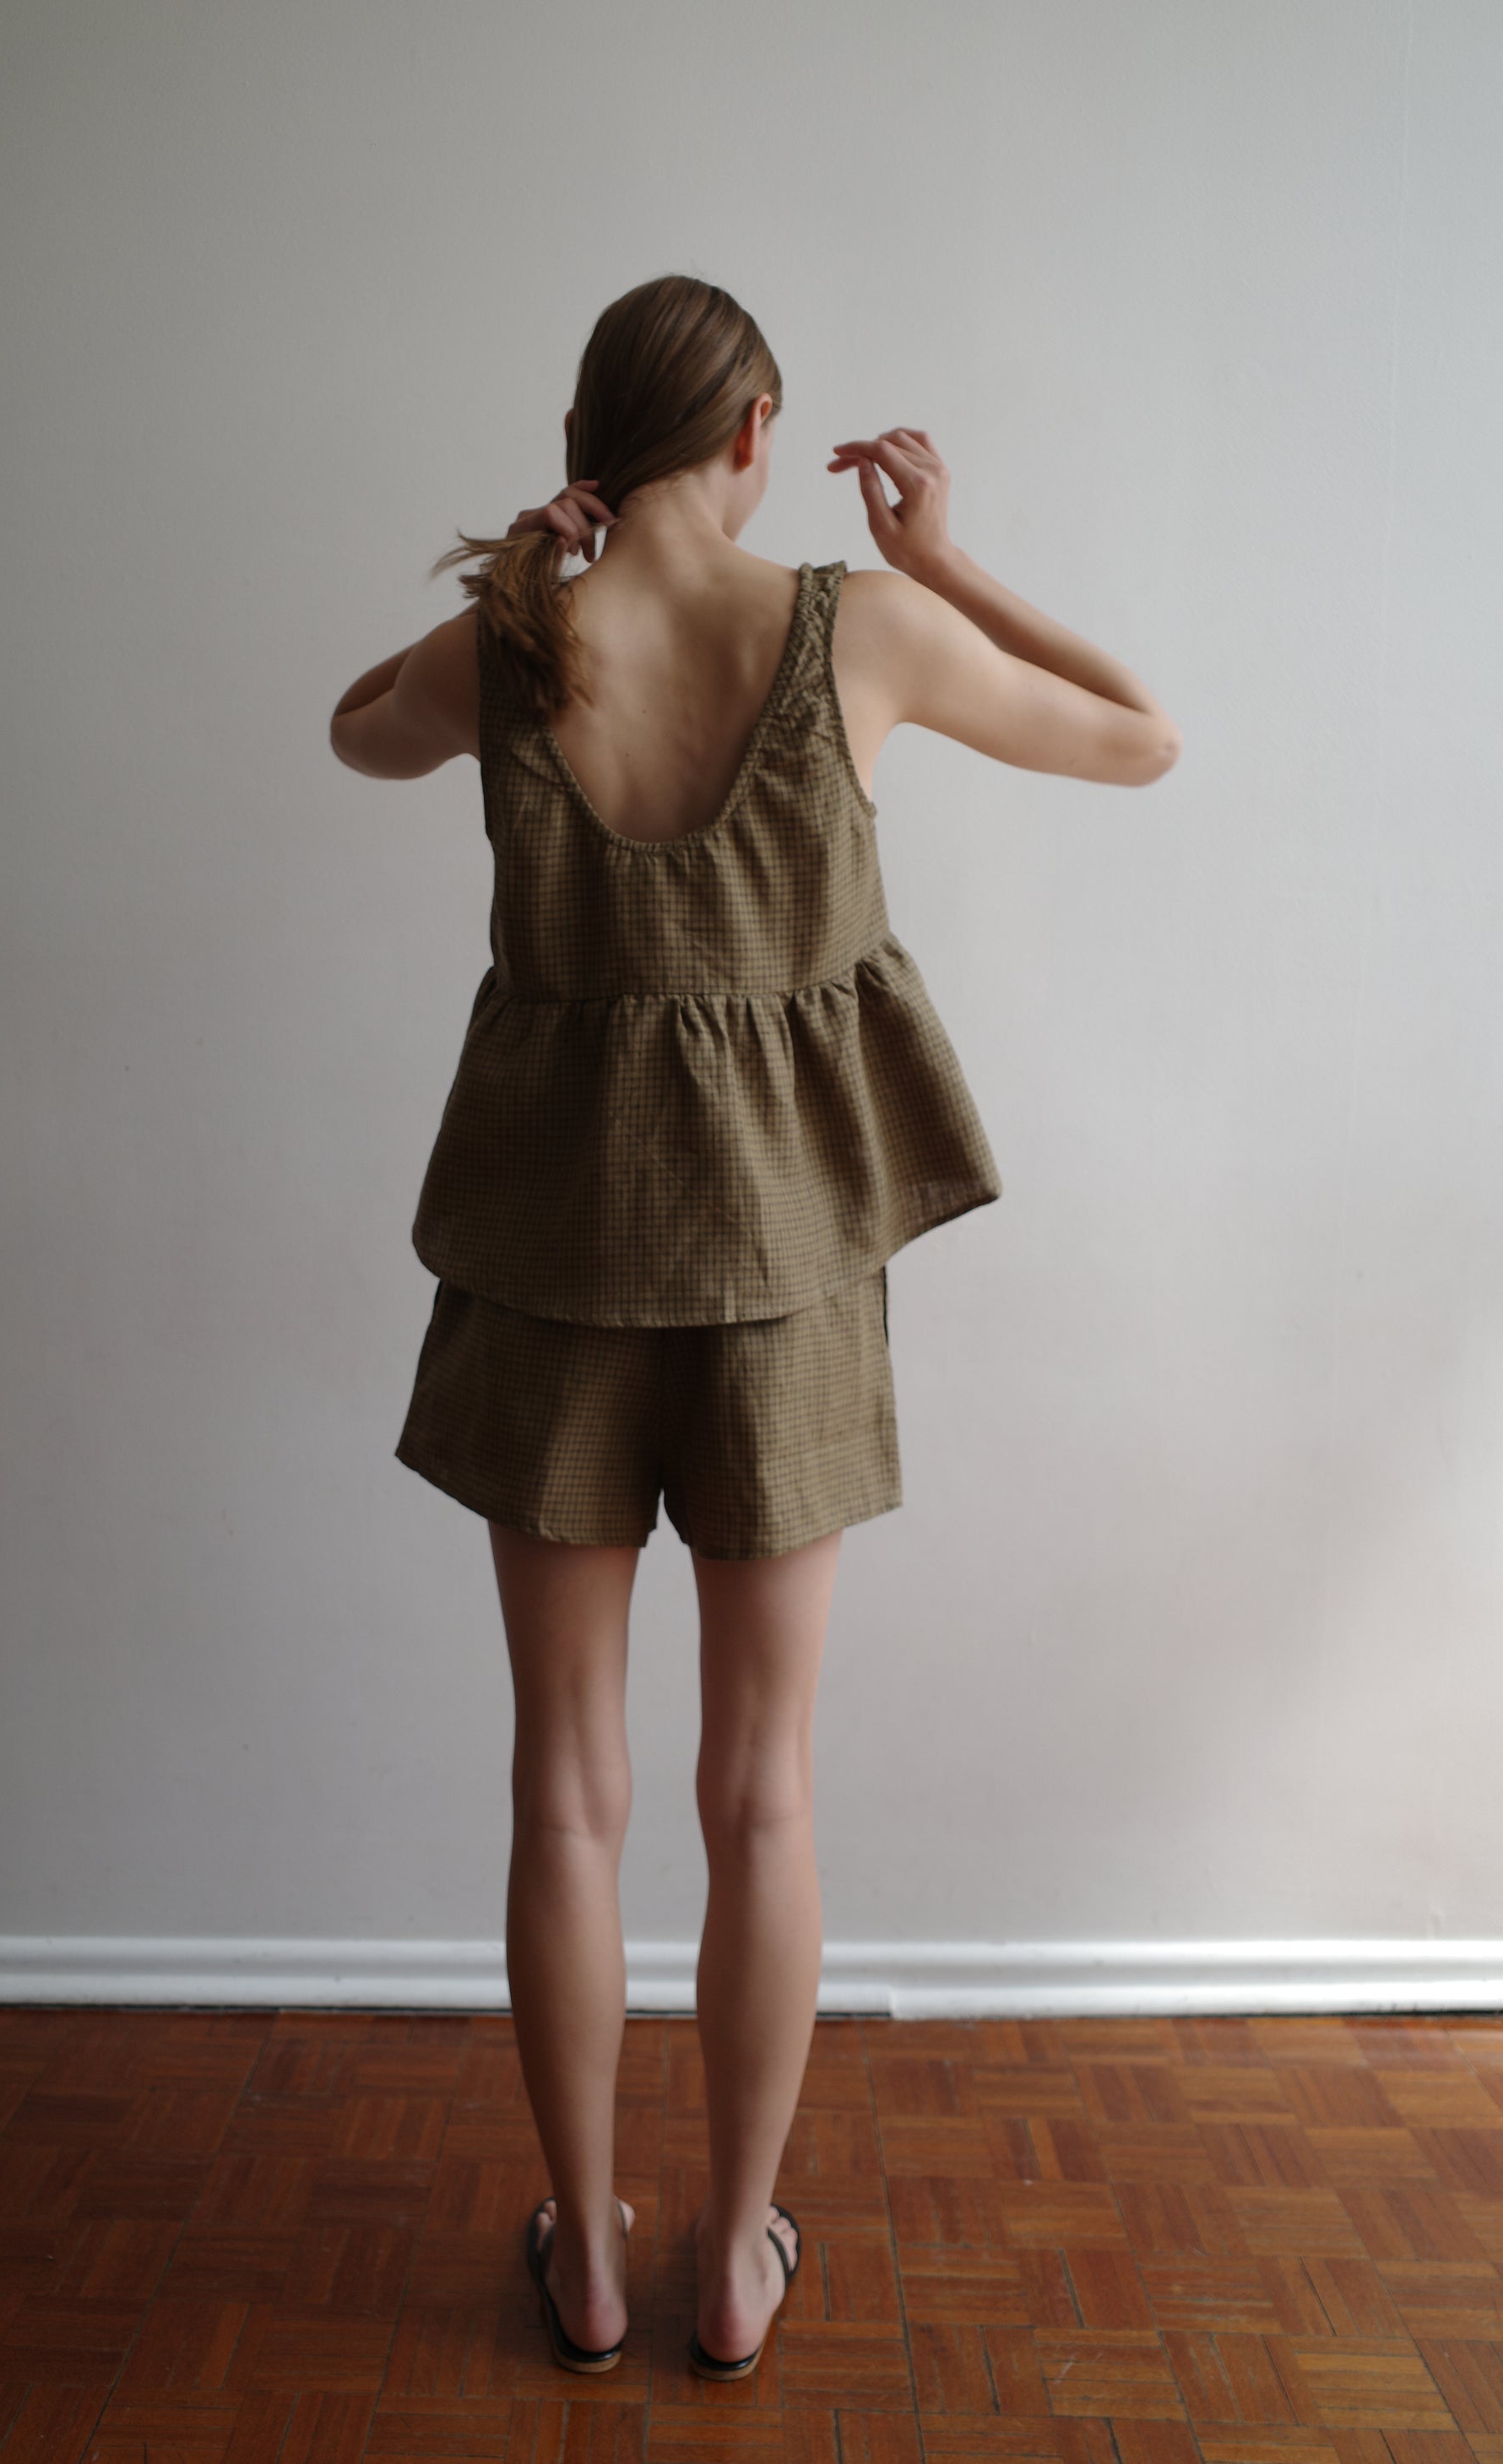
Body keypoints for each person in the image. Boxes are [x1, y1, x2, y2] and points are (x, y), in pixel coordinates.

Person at [328, 274, 1180, 2382]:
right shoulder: (856, 630)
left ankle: (592, 2267)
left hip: (547, 1268)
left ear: (592, 440)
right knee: (763, 1789)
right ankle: (730, 2264)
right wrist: (941, 555)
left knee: (565, 1785)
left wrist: (538, 562)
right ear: (759, 435)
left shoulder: (516, 645)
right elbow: (1142, 733)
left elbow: (356, 720)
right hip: (787, 1277)